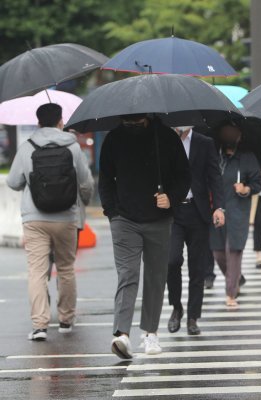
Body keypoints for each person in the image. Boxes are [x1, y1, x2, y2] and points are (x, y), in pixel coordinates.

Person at [100, 114, 190, 358]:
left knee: (155, 276)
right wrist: (112, 211)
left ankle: (151, 332)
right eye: (128, 120)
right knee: (127, 274)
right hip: (124, 219)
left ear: (148, 115)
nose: (131, 123)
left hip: (159, 219)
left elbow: (184, 175)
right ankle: (121, 334)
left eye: (136, 120)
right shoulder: (114, 138)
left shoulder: (166, 137)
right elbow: (105, 178)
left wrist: (171, 197)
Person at [7, 103, 93, 341]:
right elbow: (85, 183)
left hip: (35, 218)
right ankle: (66, 320)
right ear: (60, 121)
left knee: (36, 271)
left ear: (38, 122)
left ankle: (39, 326)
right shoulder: (73, 147)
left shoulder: (27, 147)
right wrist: (82, 203)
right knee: (66, 268)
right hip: (66, 216)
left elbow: (13, 182)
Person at [166, 126, 225, 336]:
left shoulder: (204, 142)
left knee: (197, 267)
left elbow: (214, 177)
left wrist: (218, 207)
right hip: (172, 211)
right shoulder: (165, 140)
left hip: (198, 211)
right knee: (172, 261)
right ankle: (176, 308)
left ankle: (193, 316)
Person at [211, 122, 261, 308]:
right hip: (217, 210)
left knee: (233, 252)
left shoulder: (247, 158)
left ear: (240, 137)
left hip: (238, 212)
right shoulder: (215, 157)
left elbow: (258, 183)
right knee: (217, 252)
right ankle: (236, 278)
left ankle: (230, 293)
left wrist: (246, 189)